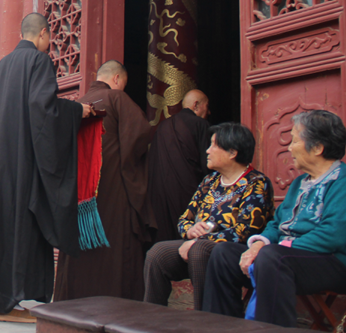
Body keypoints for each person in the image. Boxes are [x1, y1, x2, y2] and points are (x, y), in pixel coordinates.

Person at [203, 110, 346, 327]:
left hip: (342, 263)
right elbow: (277, 224)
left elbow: (333, 236)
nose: (289, 148)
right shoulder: (300, 183)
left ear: (317, 148)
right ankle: (221, 332)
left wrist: (279, 246)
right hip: (291, 256)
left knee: (273, 257)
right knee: (224, 254)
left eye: (295, 140)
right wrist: (259, 243)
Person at [0, 13, 95, 322]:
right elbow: (44, 110)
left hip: (2, 161)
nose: (49, 44)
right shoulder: (39, 62)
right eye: (49, 38)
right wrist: (75, 110)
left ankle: (1, 298)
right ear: (42, 34)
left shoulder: (2, 65)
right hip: (25, 162)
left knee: (3, 226)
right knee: (22, 227)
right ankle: (10, 300)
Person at [143, 123, 273, 310]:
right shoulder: (209, 181)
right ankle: (151, 319)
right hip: (196, 246)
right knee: (157, 253)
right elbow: (184, 219)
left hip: (231, 254)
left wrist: (199, 240)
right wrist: (190, 230)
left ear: (232, 152)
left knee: (200, 250)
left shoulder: (257, 183)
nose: (207, 150)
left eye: (213, 145)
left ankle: (205, 320)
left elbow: (244, 232)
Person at [54, 60, 153, 301]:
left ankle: (72, 299)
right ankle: (113, 303)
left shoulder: (76, 105)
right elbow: (140, 135)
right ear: (117, 79)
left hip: (79, 193)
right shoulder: (117, 99)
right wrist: (129, 166)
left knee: (79, 246)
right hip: (112, 189)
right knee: (115, 245)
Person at [147, 89, 211, 243]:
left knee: (165, 240)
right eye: (206, 107)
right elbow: (208, 164)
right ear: (196, 105)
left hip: (159, 196)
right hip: (188, 194)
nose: (209, 112)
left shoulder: (162, 127)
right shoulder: (201, 124)